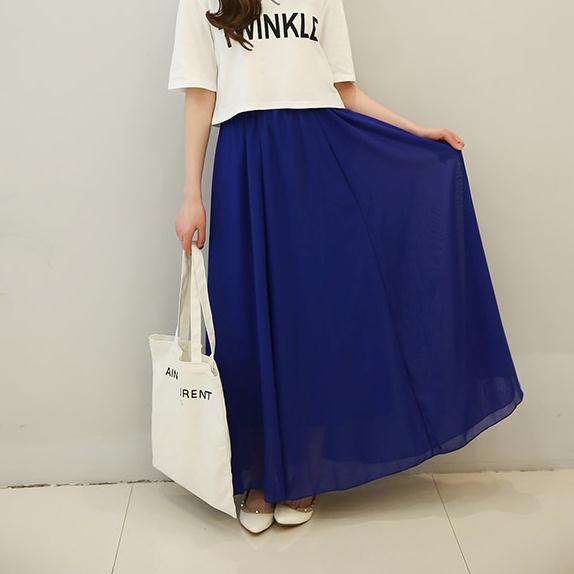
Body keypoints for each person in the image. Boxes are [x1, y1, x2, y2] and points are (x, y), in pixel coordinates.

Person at [168, 0, 524, 534]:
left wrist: (414, 131)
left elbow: (344, 91)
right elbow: (201, 93)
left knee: (314, 319)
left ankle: (304, 470)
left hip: (317, 161)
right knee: (246, 317)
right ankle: (261, 473)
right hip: (245, 160)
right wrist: (191, 195)